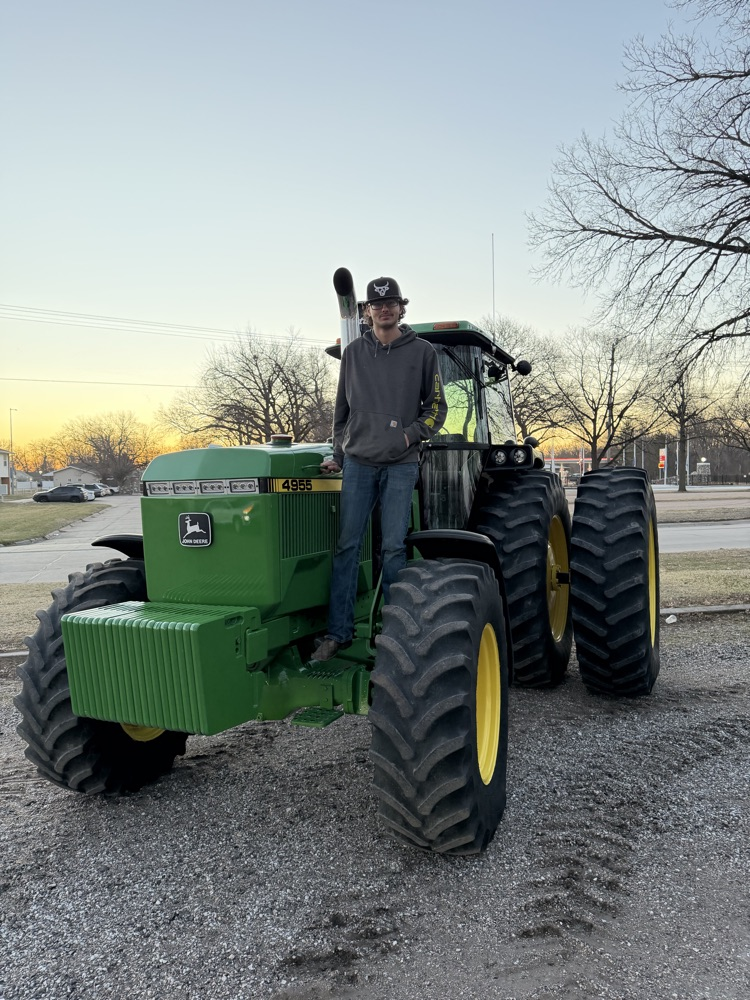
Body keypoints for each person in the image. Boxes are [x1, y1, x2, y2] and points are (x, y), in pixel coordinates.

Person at [312, 276, 447, 661]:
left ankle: (395, 634)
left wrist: (408, 436)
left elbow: (436, 409)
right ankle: (338, 633)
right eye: (377, 304)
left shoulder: (422, 352)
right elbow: (341, 411)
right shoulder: (354, 352)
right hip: (358, 463)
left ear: (401, 308)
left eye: (391, 304)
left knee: (392, 547)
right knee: (347, 546)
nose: (384, 309)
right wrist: (339, 455)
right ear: (367, 311)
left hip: (400, 464)